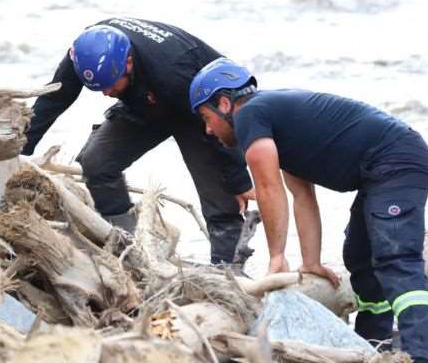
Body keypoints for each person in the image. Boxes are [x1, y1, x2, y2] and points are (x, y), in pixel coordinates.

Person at [189, 58, 428, 363]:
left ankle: (422, 356)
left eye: (205, 117)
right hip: (381, 168)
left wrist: (277, 256)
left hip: (396, 160)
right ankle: (376, 344)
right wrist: (311, 262)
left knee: (396, 258)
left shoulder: (250, 116)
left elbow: (269, 189)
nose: (208, 130)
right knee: (359, 256)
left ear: (225, 104)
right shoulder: (274, 121)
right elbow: (302, 194)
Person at [21, 18, 255, 264]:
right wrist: (20, 147)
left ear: (129, 63)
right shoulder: (85, 53)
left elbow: (223, 119)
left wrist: (237, 178)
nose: (105, 93)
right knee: (96, 163)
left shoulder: (174, 71)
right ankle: (127, 248)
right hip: (144, 101)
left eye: (110, 85)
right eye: (98, 87)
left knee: (221, 200)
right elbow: (53, 99)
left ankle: (229, 272)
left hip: (195, 111)